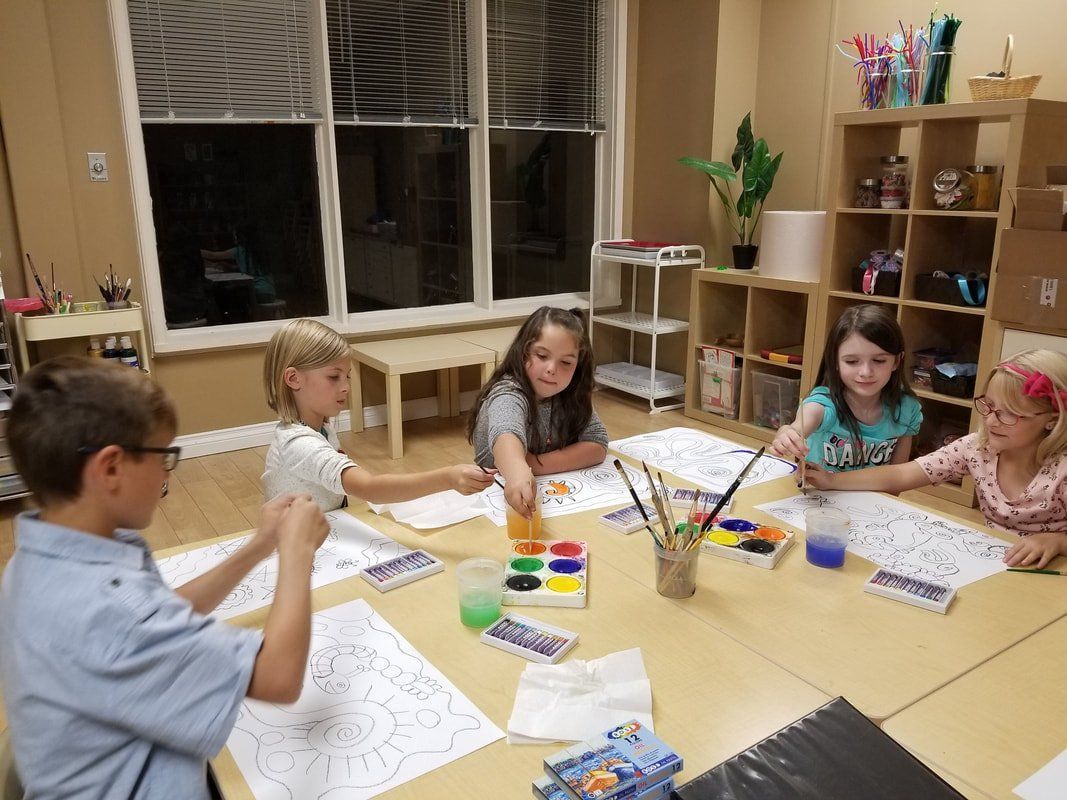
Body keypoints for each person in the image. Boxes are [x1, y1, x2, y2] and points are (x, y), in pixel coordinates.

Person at [0, 357, 330, 799]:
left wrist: (261, 544)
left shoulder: (42, 554)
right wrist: (297, 552)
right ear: (111, 467)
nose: (167, 472)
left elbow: (158, 610)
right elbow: (278, 676)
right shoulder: (111, 610)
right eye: (163, 456)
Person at [804, 350, 1067, 569]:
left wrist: (1058, 542)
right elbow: (901, 474)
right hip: (995, 566)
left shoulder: (1062, 470)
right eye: (988, 406)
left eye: (1009, 414)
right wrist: (832, 479)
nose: (990, 420)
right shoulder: (978, 448)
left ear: (1051, 421)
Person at [262, 319, 493, 511]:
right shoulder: (298, 444)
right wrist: (448, 478)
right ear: (293, 379)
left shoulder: (322, 428)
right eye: (334, 377)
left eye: (347, 376)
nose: (345, 387)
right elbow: (369, 487)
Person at [467, 306, 608, 517]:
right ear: (523, 352)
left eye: (566, 362)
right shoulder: (508, 393)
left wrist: (535, 465)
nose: (552, 368)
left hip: (564, 502)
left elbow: (597, 444)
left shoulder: (571, 393)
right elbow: (506, 433)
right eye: (542, 356)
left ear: (578, 365)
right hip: (496, 507)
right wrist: (518, 471)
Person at [770, 304, 922, 473]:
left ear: (897, 361)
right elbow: (802, 423)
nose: (866, 372)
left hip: (874, 499)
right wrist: (787, 432)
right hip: (819, 497)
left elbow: (896, 478)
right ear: (835, 361)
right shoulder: (824, 404)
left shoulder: (907, 410)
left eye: (879, 361)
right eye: (851, 361)